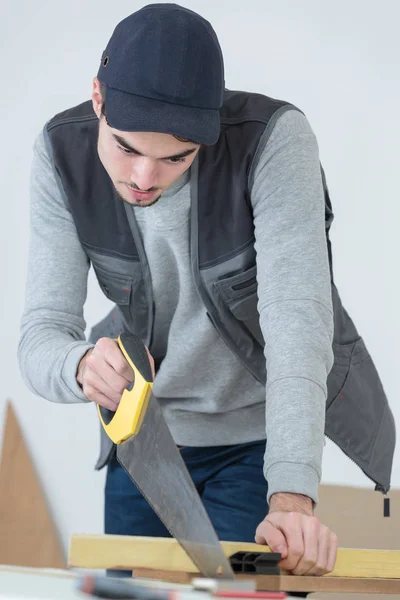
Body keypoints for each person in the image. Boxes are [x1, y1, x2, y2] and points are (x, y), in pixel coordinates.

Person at [18, 2, 395, 580]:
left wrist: (291, 495)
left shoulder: (273, 141)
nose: (145, 179)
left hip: (253, 446)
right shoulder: (60, 154)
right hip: (142, 444)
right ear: (98, 97)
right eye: (125, 147)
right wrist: (78, 366)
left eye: (177, 158)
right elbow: (43, 331)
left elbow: (297, 322)